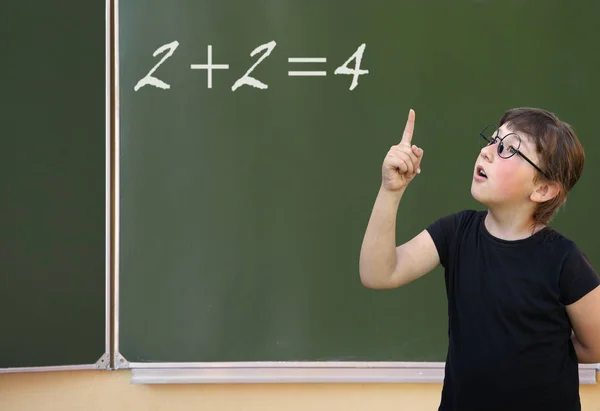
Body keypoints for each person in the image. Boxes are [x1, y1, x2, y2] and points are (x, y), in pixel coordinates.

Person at [359, 107, 600, 411]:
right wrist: (390, 191)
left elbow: (594, 346)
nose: (487, 153)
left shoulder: (564, 260)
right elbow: (378, 274)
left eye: (508, 149)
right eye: (492, 140)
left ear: (543, 189)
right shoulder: (456, 232)